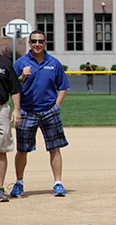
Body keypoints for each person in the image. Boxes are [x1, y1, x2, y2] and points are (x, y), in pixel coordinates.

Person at [11, 30, 70, 197]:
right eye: (34, 41)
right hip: (27, 111)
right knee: (22, 150)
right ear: (29, 43)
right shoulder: (20, 63)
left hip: (49, 111)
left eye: (40, 41)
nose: (37, 44)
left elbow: (63, 86)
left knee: (55, 148)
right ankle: (19, 182)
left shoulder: (54, 63)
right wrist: (22, 77)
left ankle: (58, 183)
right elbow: (13, 89)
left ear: (45, 44)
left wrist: (57, 106)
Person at [0, 55, 22, 202]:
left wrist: (17, 109)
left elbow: (14, 88)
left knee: (1, 149)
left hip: (1, 109)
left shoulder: (5, 62)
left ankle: (0, 189)